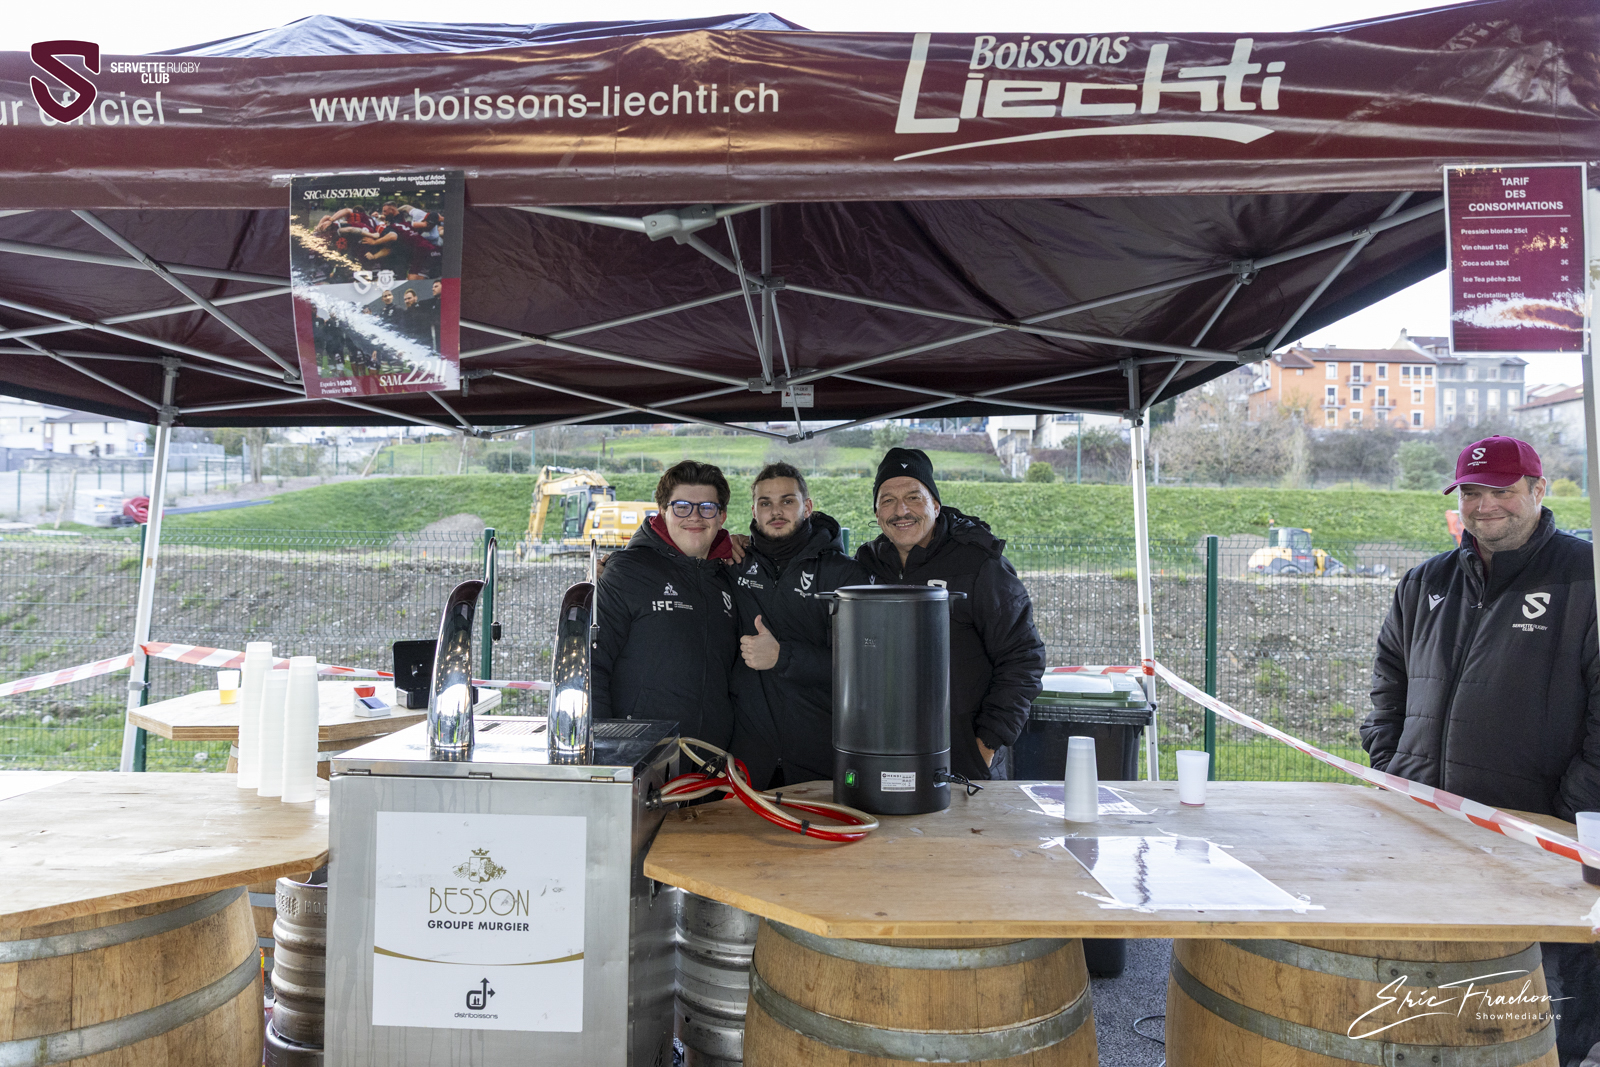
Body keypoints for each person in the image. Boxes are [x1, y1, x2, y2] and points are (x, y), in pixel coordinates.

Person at [1363, 435, 1600, 1067]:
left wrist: (1566, 813)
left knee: (1538, 1023)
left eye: (1502, 489)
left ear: (1539, 490)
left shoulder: (1587, 578)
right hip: (1426, 830)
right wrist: (1391, 767)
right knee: (1427, 1004)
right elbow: (1388, 682)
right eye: (1472, 491)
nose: (1485, 504)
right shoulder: (1425, 581)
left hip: (1538, 843)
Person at [855, 447, 1045, 782]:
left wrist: (986, 744)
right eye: (888, 500)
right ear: (876, 512)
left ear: (935, 505)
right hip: (887, 754)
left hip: (965, 762)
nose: (901, 510)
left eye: (914, 497)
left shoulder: (979, 564)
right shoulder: (866, 564)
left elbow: (1023, 658)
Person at [728, 461, 868, 789]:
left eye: (787, 501)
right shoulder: (732, 564)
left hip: (821, 758)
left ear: (807, 507)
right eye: (765, 503)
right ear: (753, 510)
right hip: (749, 760)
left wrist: (783, 657)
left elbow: (863, 666)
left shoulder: (844, 574)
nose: (776, 511)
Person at [591, 459, 740, 748]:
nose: (695, 517)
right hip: (642, 754)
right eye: (682, 506)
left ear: (721, 516)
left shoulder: (729, 576)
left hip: (711, 756)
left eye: (707, 507)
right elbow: (593, 664)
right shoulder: (627, 571)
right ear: (662, 511)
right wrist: (606, 747)